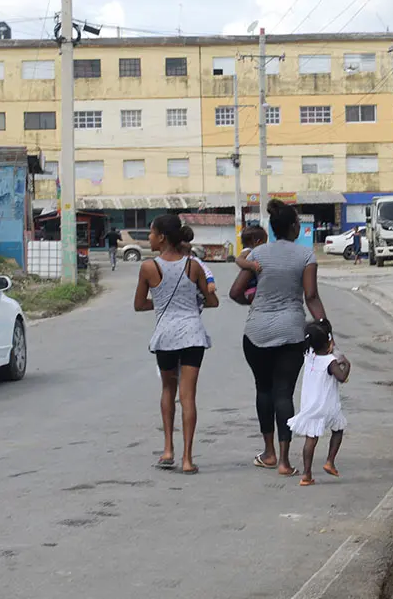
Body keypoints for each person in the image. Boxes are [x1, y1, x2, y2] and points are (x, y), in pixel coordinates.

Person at [229, 200, 328, 476]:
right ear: (294, 227)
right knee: (284, 392)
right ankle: (285, 461)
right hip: (291, 332)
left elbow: (235, 292)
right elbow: (311, 296)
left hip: (256, 332)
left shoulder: (257, 254)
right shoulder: (306, 256)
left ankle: (268, 453)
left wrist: (258, 304)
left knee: (264, 390)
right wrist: (324, 325)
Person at [134, 215, 219, 475]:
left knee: (168, 390)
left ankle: (168, 449)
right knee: (189, 396)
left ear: (161, 237)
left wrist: (159, 304)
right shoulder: (193, 266)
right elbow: (212, 300)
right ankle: (187, 459)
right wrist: (194, 303)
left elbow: (139, 304)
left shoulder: (149, 267)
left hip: (166, 337)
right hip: (193, 335)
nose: (148, 238)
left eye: (150, 233)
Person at [288, 320, 350, 487]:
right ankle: (330, 461)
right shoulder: (330, 361)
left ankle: (306, 475)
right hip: (327, 406)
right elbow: (342, 378)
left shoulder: (309, 356)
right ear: (329, 342)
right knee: (338, 430)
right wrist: (346, 364)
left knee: (311, 439)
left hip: (310, 405)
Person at [236, 224, 268, 302]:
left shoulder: (254, 252)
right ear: (258, 242)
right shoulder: (248, 251)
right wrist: (252, 265)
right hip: (251, 288)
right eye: (264, 242)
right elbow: (238, 260)